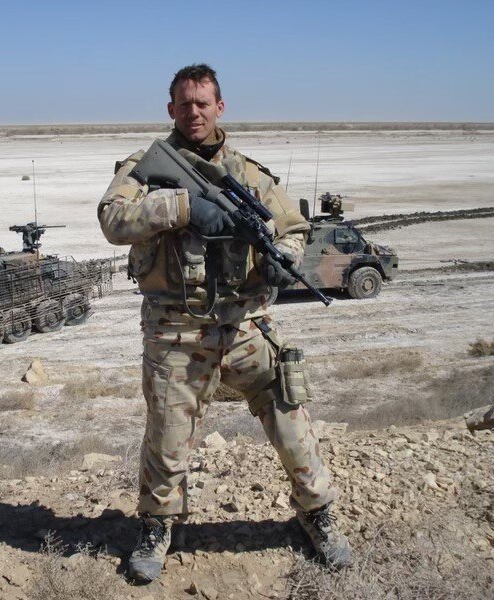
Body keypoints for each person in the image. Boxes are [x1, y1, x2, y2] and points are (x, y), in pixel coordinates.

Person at [97, 64, 351, 583]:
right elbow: (112, 220)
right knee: (167, 438)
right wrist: (183, 207)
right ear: (171, 109)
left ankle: (317, 512)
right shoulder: (146, 167)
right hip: (176, 329)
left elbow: (295, 227)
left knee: (290, 418)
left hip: (245, 325)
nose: (194, 112)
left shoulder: (249, 174)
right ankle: (158, 526)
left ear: (220, 107)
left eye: (203, 103)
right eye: (185, 104)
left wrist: (284, 256)